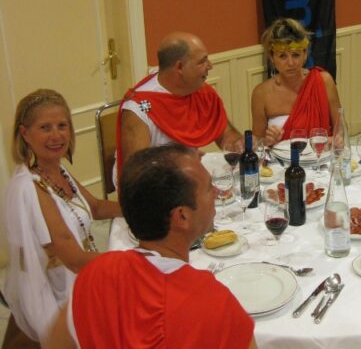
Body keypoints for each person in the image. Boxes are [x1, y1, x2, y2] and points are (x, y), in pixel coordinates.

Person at [44, 144, 257, 348]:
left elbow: (56, 344)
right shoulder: (215, 304)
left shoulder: (94, 276)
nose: (217, 193)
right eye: (209, 188)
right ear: (182, 216)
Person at [3, 89, 121, 346]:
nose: (56, 136)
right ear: (25, 133)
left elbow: (96, 207)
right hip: (56, 292)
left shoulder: (56, 171)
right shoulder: (30, 187)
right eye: (45, 127)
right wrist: (128, 262)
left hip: (76, 275)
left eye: (62, 126)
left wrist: (141, 210)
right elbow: (74, 259)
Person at [117, 32, 241, 185]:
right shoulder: (137, 110)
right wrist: (182, 163)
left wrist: (237, 144)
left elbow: (226, 134)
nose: (210, 66)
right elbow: (137, 175)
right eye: (202, 62)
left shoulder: (201, 92)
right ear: (180, 67)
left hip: (187, 175)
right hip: (159, 186)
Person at [251, 18, 341, 146]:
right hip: (279, 159)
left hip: (319, 155)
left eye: (296, 55)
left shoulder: (323, 81)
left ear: (305, 54)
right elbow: (256, 143)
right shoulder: (261, 93)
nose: (291, 63)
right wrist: (268, 141)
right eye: (282, 56)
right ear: (272, 57)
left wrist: (337, 139)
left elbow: (340, 129)